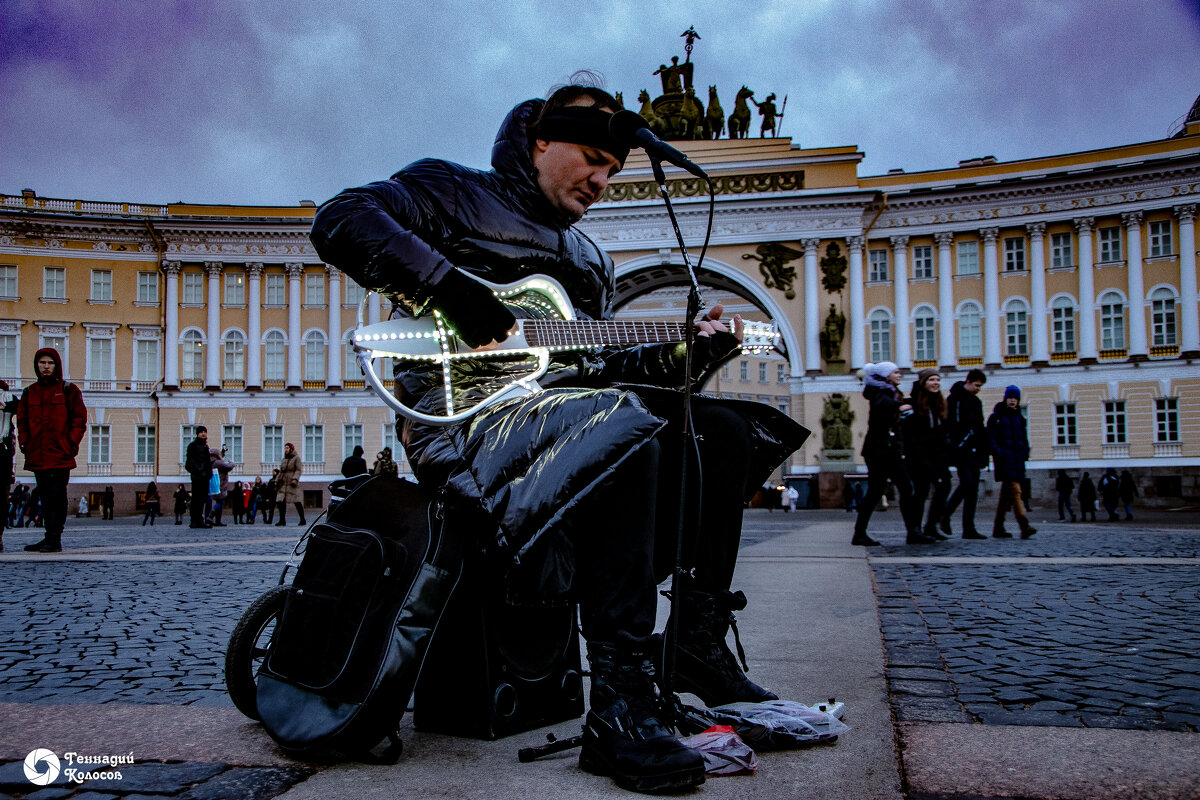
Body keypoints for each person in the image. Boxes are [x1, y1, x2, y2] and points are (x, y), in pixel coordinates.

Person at [309, 79, 806, 792]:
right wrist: (448, 288)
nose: (603, 181)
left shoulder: (590, 259)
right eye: (594, 159)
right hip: (465, 426)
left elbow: (604, 363)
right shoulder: (449, 190)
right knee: (622, 420)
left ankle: (694, 642)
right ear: (543, 140)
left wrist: (693, 352)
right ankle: (619, 710)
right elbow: (343, 217)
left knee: (724, 429)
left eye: (614, 169)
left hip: (564, 420)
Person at [852, 362, 931, 546]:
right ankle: (911, 532)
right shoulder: (882, 393)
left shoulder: (888, 391)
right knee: (895, 489)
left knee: (890, 490)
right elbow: (883, 404)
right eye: (895, 372)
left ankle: (911, 531)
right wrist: (898, 406)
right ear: (886, 375)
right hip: (881, 450)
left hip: (885, 449)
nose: (899, 374)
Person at [17, 347, 87, 553]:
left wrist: (71, 445)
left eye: (50, 363)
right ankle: (48, 536)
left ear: (56, 365)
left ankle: (55, 538)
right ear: (36, 366)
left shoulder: (69, 390)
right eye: (42, 363)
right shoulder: (29, 392)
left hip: (60, 456)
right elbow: (22, 421)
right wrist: (24, 444)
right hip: (38, 455)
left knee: (57, 497)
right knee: (45, 498)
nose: (46, 367)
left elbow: (79, 421)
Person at [903, 368, 952, 541]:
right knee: (921, 493)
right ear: (924, 383)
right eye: (932, 379)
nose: (936, 383)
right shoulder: (913, 403)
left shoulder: (939, 403)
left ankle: (932, 525)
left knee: (944, 486)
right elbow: (910, 434)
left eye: (937, 380)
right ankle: (915, 530)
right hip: (918, 457)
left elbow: (943, 430)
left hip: (938, 456)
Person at [942, 368, 989, 539]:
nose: (978, 389)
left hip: (974, 450)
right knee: (967, 484)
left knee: (973, 489)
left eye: (980, 386)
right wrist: (955, 447)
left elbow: (980, 427)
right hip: (961, 449)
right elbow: (952, 425)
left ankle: (969, 528)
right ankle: (945, 515)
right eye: (977, 385)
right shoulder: (954, 399)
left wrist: (984, 451)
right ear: (968, 381)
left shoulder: (976, 402)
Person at [987, 385, 1036, 539]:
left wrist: (1025, 452)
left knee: (1005, 496)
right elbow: (991, 438)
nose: (1013, 401)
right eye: (1010, 398)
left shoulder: (1019, 417)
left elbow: (1023, 438)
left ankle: (998, 528)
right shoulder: (997, 416)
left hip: (1017, 460)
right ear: (1005, 399)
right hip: (1004, 461)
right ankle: (1024, 525)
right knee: (1016, 492)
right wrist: (999, 453)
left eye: (1015, 398)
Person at [0, 380, 17, 552]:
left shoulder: (9, 402)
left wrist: (4, 403)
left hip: (2, 459)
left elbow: (18, 406)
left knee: (2, 500)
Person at [184, 427, 213, 529]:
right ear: (197, 434)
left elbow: (208, 462)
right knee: (196, 499)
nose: (203, 434)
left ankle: (200, 520)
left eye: (205, 432)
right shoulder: (192, 446)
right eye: (201, 432)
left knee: (202, 499)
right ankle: (194, 521)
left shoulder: (205, 447)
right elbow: (189, 462)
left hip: (205, 477)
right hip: (197, 477)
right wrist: (199, 471)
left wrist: (209, 474)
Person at [275, 442, 305, 526]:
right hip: (283, 484)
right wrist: (277, 481)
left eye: (287, 448)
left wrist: (295, 479)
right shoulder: (284, 459)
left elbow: (298, 470)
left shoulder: (296, 458)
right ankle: (282, 520)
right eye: (285, 448)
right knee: (280, 501)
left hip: (292, 483)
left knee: (296, 501)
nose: (285, 450)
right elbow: (281, 471)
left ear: (291, 449)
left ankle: (302, 519)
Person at [208, 445, 234, 527]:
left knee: (219, 501)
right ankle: (211, 516)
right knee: (220, 502)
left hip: (215, 483)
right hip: (221, 483)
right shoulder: (217, 462)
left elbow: (220, 457)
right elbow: (227, 467)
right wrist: (232, 463)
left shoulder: (211, 461)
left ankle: (217, 520)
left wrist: (223, 452)